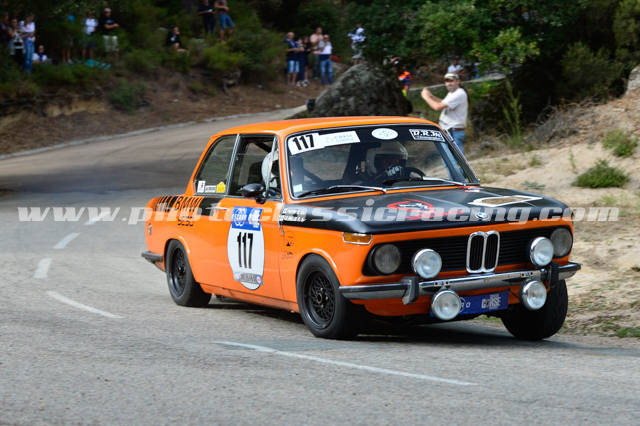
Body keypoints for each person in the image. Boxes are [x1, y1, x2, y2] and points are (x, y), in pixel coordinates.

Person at [420, 72, 469, 153]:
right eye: (447, 81)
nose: (448, 83)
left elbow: (437, 107)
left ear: (458, 81)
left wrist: (426, 97)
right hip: (450, 131)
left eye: (451, 81)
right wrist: (431, 96)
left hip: (454, 132)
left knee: (454, 158)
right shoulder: (452, 93)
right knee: (451, 157)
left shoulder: (459, 93)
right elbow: (443, 103)